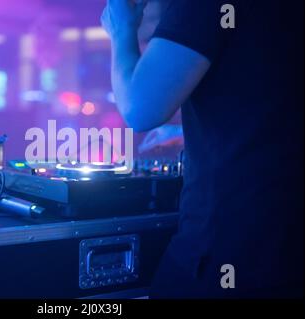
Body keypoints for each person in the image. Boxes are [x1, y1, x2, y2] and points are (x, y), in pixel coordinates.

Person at [101, 0, 304, 298]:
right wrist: (191, 131)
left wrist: (121, 31)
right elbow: (271, 101)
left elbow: (139, 107)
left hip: (231, 252)